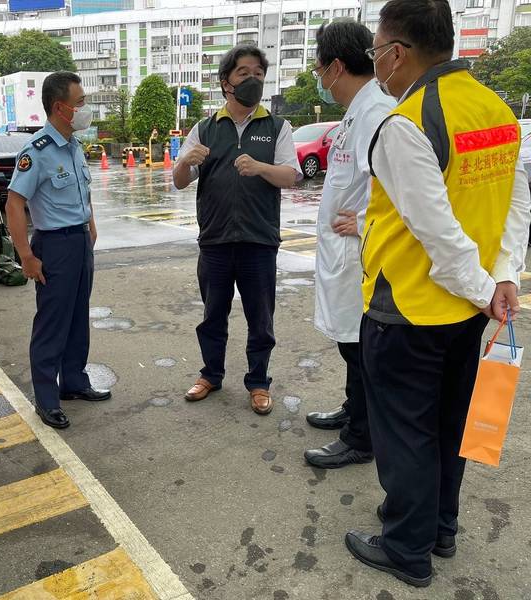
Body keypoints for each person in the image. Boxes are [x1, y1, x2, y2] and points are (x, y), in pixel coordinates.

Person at [344, 0, 531, 587]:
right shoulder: (497, 110)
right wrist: (503, 278)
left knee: (406, 434)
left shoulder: (406, 122)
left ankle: (406, 547)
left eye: (376, 53)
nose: (377, 65)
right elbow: (517, 203)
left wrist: (485, 286)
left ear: (397, 52)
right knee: (450, 427)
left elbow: (438, 235)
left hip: (409, 310)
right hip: (468, 315)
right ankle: (439, 527)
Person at [173, 44, 301, 415]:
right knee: (213, 314)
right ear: (225, 82)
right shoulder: (205, 127)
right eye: (244, 73)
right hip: (214, 240)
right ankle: (210, 374)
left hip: (259, 241)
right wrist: (185, 161)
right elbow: (180, 181)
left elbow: (291, 176)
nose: (253, 80)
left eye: (258, 73)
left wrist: (261, 168)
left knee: (261, 317)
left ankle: (258, 382)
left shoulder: (277, 126)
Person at [303, 21, 396, 469]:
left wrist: (361, 221)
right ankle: (352, 411)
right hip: (345, 255)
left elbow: (394, 184)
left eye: (320, 69)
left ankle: (361, 436)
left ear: (337, 66)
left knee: (359, 347)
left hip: (359, 254)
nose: (320, 78)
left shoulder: (376, 112)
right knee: (349, 345)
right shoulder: (358, 110)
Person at [6, 71, 109, 430]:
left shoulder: (75, 146)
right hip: (54, 245)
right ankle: (47, 399)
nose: (85, 109)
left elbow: (84, 193)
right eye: (80, 103)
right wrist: (26, 255)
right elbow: (15, 203)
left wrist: (90, 226)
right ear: (60, 107)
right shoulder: (37, 151)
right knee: (52, 323)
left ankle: (75, 382)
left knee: (78, 316)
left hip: (80, 241)